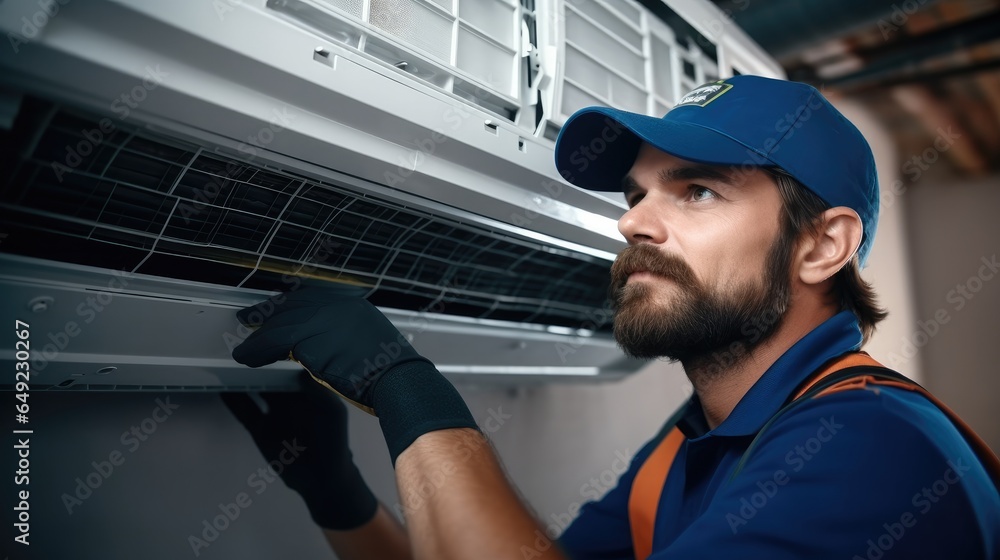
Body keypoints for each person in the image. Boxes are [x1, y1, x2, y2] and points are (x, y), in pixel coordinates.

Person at [226, 75, 1000, 559]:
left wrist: (405, 390)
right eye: (637, 196)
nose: (633, 225)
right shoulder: (689, 445)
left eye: (697, 191)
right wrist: (340, 497)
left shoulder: (874, 450)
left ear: (823, 245)